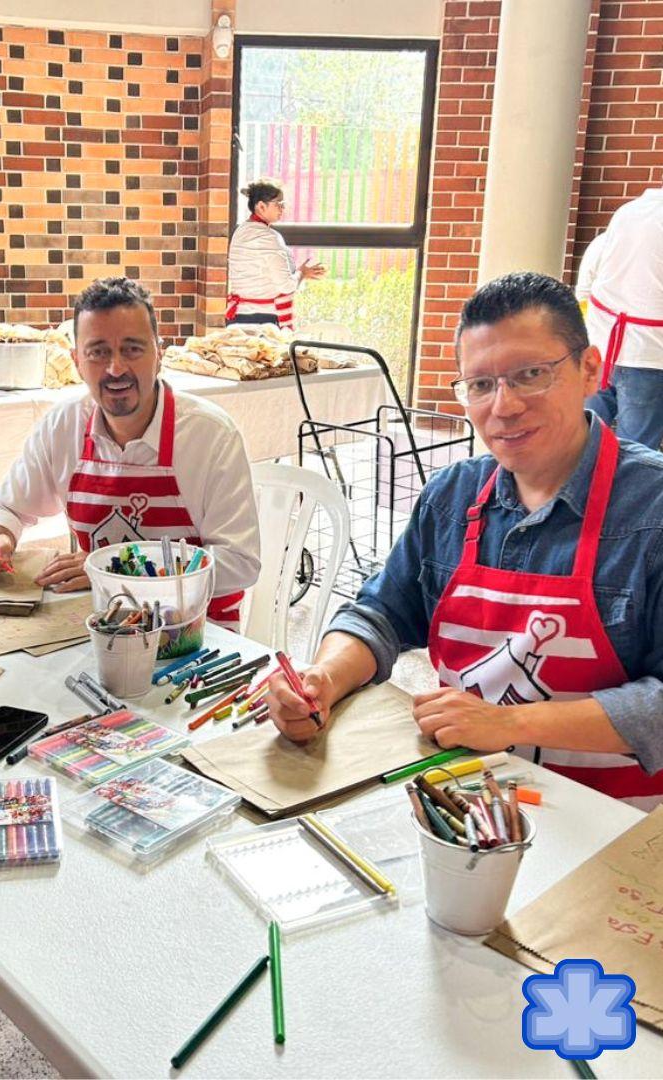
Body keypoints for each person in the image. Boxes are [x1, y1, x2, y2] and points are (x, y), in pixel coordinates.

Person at [268, 272, 663, 811]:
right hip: (464, 807)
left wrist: (510, 722)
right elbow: (381, 613)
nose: (503, 407)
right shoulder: (452, 498)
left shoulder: (651, 510)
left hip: (609, 823)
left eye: (530, 375)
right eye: (480, 385)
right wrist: (323, 678)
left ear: (590, 370)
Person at [0, 276, 260, 629]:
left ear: (159, 353)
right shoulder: (64, 425)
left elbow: (240, 561)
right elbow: (6, 506)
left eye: (132, 349)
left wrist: (115, 569)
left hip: (199, 640)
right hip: (102, 629)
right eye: (98, 352)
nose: (116, 368)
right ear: (77, 361)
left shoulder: (210, 436)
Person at [583, 185, 663, 450]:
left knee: (581, 441)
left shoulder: (627, 213)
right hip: (650, 354)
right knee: (636, 454)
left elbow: (587, 280)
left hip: (600, 346)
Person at [226, 179, 325, 328]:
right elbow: (286, 285)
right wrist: (302, 273)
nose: (282, 208)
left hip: (238, 316)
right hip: (263, 320)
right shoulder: (269, 237)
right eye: (278, 204)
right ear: (261, 206)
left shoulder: (240, 231)